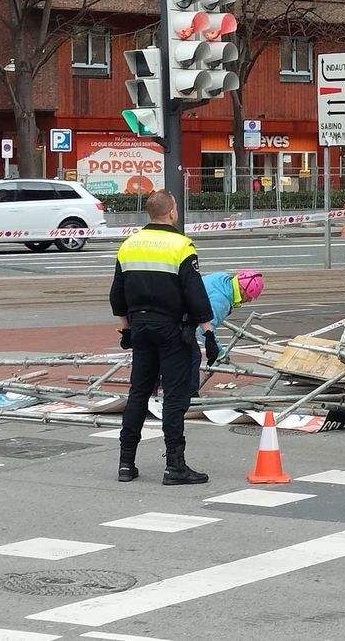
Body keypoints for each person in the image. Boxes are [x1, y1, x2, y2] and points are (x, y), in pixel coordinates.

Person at [109, 191, 217, 485]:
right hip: (172, 331)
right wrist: (208, 333)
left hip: (141, 328)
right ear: (171, 212)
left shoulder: (129, 246)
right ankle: (174, 465)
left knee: (138, 394)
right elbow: (195, 294)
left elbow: (117, 295)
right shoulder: (181, 246)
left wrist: (127, 330)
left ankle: (126, 464)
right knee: (174, 396)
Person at [188, 269, 265, 398]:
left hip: (173, 313)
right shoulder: (221, 301)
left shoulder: (222, 278)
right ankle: (188, 397)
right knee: (191, 357)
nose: (250, 301)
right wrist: (219, 352)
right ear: (242, 290)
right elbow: (205, 329)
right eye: (250, 297)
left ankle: (161, 384)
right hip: (175, 321)